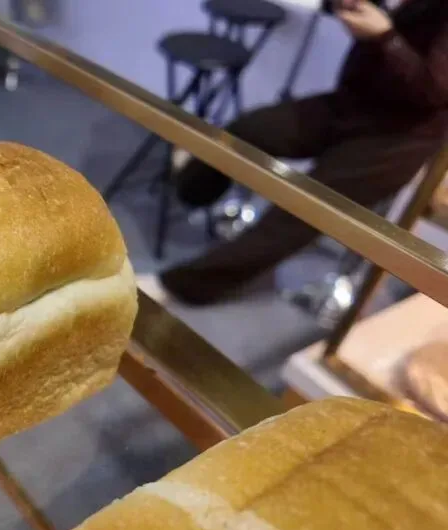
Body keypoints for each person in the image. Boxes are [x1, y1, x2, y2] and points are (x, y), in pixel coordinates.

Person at [150, 0, 448, 306]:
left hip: (397, 140)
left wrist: (385, 37)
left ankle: (181, 288)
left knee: (297, 214)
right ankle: (191, 193)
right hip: (352, 103)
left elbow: (434, 90)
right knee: (247, 131)